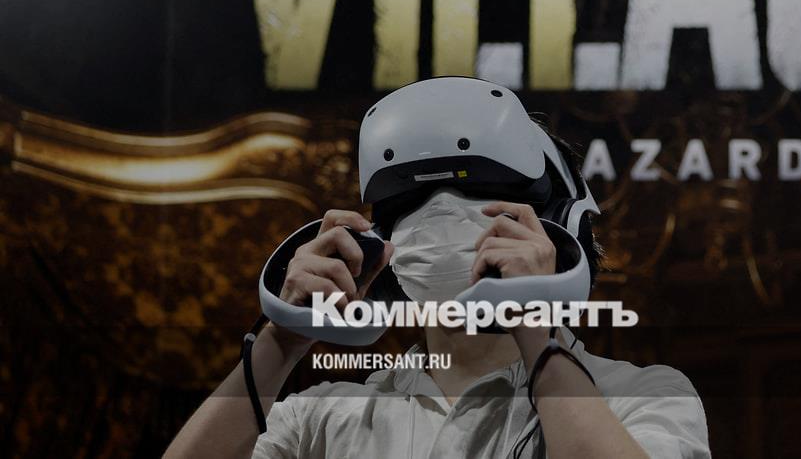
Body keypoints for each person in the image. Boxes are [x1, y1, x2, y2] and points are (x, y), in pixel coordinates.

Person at [166, 77, 710, 458]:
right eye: (413, 204)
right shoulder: (324, 418)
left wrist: (533, 324)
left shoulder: (645, 396)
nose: (442, 215)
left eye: (478, 192)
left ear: (559, 227)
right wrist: (283, 337)